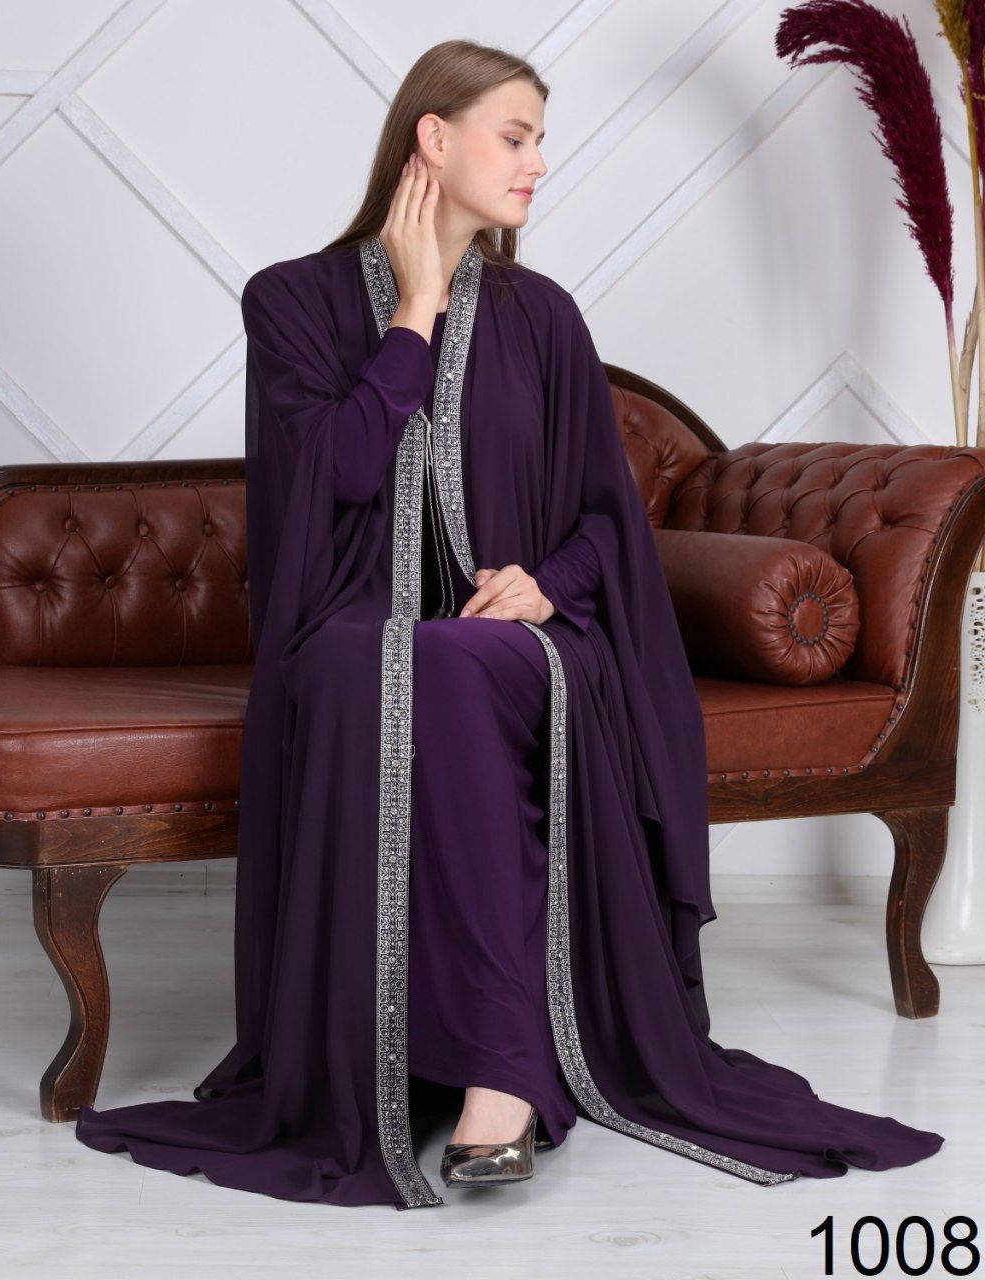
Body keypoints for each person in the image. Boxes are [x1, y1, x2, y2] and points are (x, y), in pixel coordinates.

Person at [74, 38, 944, 1209]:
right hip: (343, 631)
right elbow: (330, 473)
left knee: (459, 661)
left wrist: (547, 584)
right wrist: (413, 315)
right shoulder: (293, 301)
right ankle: (488, 1061)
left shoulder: (542, 317)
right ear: (434, 139)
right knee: (403, 666)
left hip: (520, 642)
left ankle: (500, 1072)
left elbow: (604, 519)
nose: (539, 162)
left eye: (541, 139)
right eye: (516, 136)